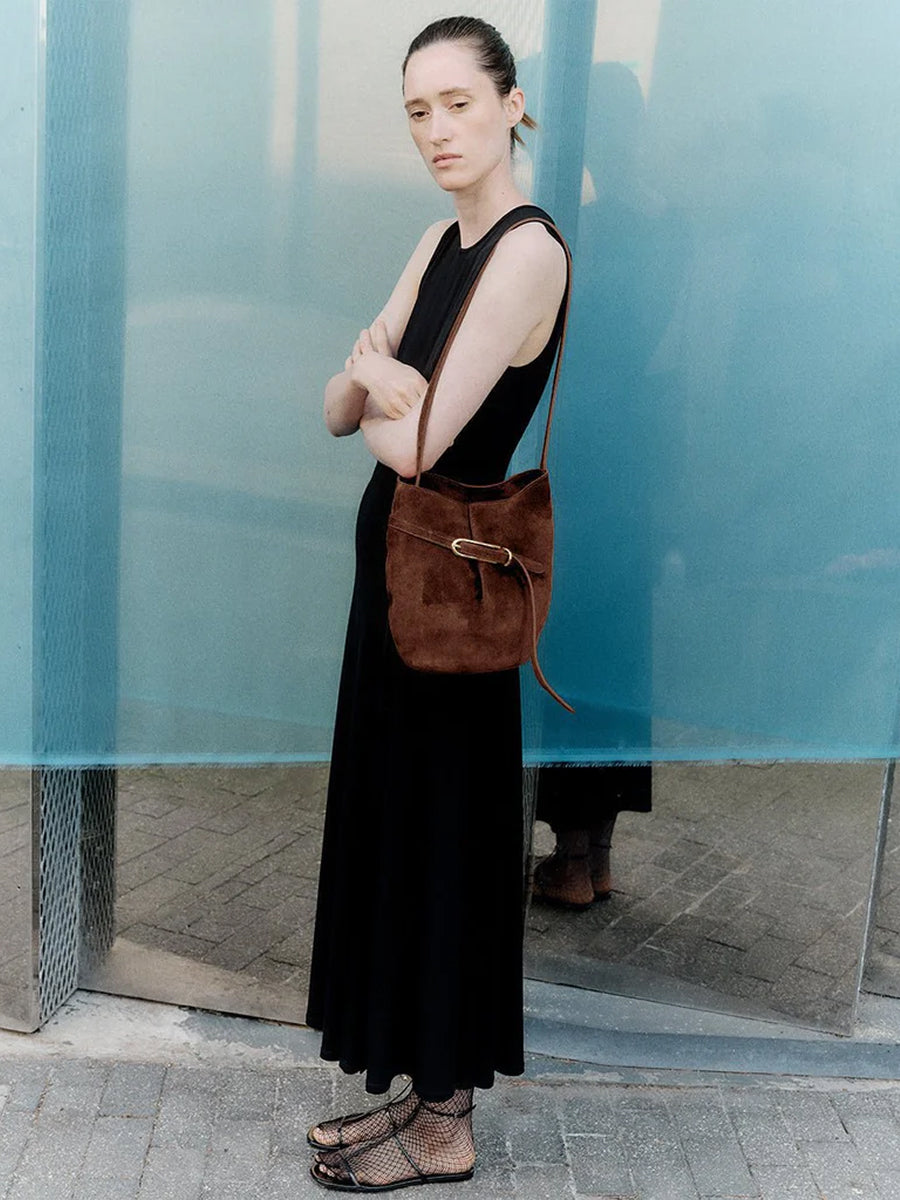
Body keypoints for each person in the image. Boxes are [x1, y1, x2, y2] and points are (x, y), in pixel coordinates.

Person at [304, 16, 570, 1193]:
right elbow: (336, 408)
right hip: (399, 581)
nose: (437, 130)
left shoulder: (526, 251)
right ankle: (422, 1091)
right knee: (401, 823)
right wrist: (374, 381)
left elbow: (413, 449)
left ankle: (450, 1120)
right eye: (418, 110)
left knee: (447, 828)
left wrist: (376, 379)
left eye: (459, 102)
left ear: (512, 104)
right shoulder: (439, 237)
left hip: (449, 591)